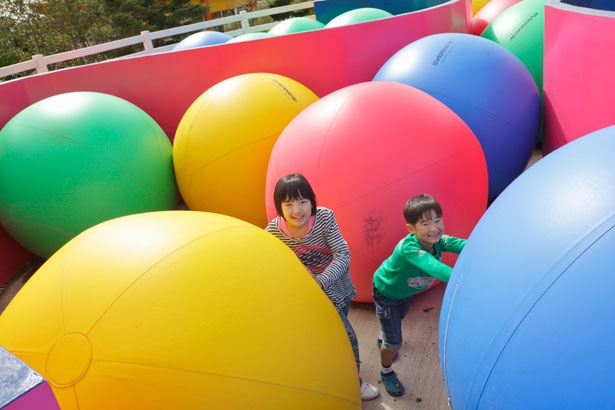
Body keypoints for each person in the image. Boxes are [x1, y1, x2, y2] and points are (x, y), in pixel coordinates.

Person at [265, 173, 380, 401]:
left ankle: (339, 369)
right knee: (345, 336)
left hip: (335, 284)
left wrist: (320, 281)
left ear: (311, 202)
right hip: (308, 294)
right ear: (279, 206)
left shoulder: (324, 218)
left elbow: (342, 254)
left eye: (302, 202)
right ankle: (354, 382)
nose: (297, 210)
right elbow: (273, 262)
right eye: (289, 204)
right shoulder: (274, 232)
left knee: (340, 322)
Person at [372, 193, 466, 397]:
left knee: (397, 318)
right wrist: (462, 280)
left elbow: (462, 245)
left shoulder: (439, 241)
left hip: (405, 292)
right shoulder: (409, 247)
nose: (434, 228)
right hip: (386, 292)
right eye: (425, 223)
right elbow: (433, 266)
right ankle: (386, 370)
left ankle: (385, 331)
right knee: (394, 342)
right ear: (411, 229)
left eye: (437, 220)